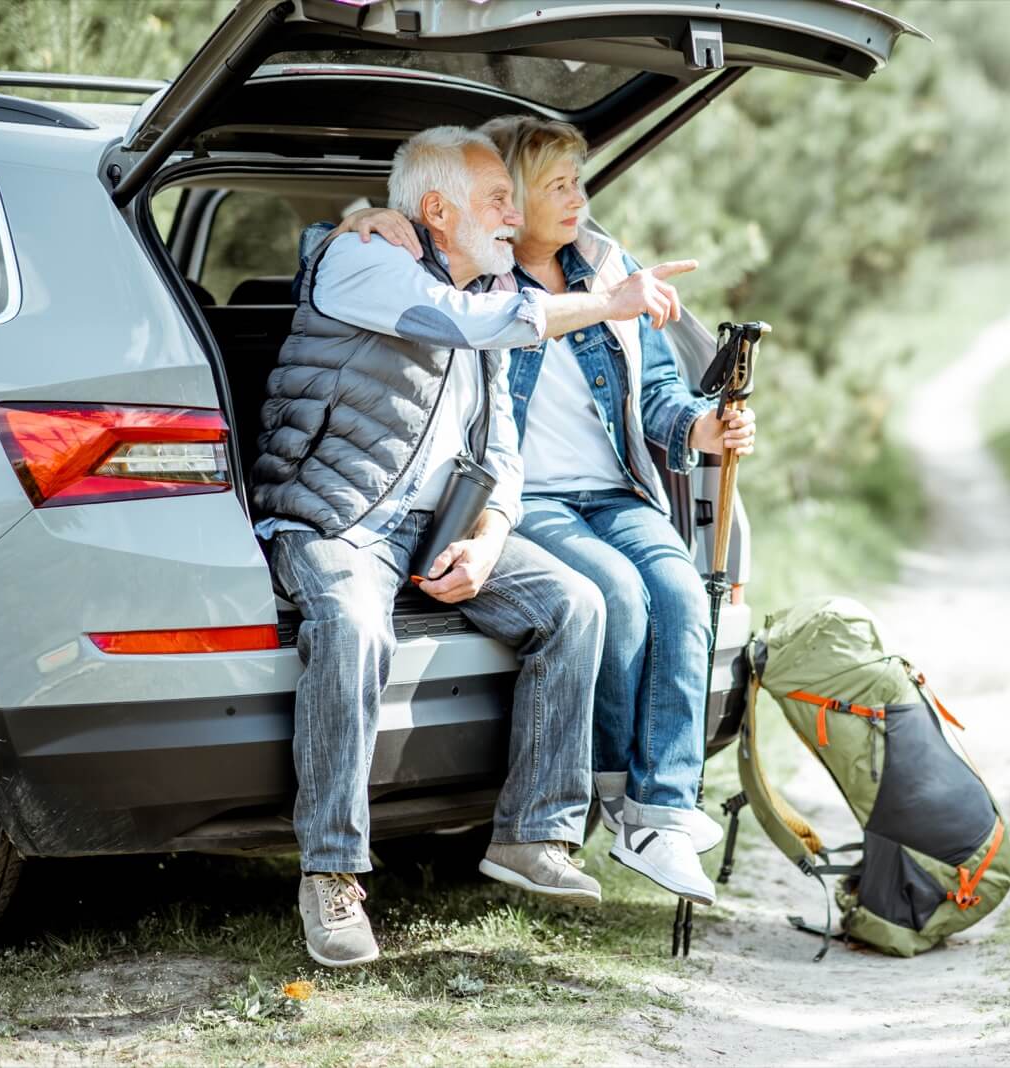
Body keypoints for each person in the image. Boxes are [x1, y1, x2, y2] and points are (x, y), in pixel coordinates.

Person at [253, 124, 697, 967]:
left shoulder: (486, 283)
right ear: (433, 211)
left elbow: (500, 449)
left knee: (574, 604)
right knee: (354, 629)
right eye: (497, 200)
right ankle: (331, 874)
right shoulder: (365, 265)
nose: (512, 214)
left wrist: (491, 533)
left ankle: (533, 834)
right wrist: (608, 301)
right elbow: (466, 322)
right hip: (339, 516)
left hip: (439, 524)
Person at [330, 116, 755, 908]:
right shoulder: (479, 278)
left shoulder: (606, 266)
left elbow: (659, 392)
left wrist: (702, 426)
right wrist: (357, 219)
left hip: (619, 488)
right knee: (618, 600)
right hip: (529, 501)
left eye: (579, 181)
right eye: (556, 184)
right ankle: (618, 793)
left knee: (680, 591)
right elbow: (358, 258)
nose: (578, 199)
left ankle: (663, 810)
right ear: (511, 198)